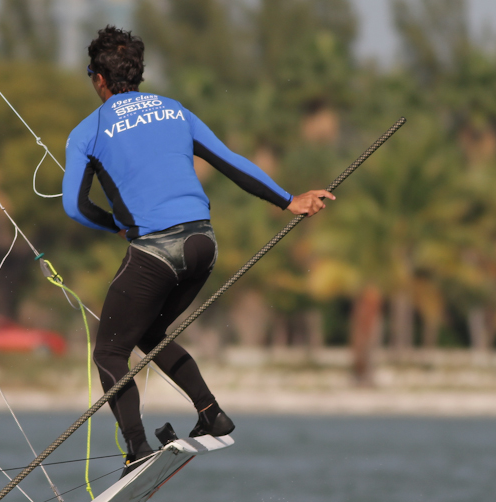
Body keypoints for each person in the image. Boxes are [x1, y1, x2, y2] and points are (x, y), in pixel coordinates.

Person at [62, 26, 334, 471]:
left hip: (155, 251)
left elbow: (75, 206)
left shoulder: (87, 132)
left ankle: (136, 450)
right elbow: (232, 162)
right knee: (147, 334)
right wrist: (289, 200)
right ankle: (211, 413)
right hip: (202, 244)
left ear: (98, 78)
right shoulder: (174, 111)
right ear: (138, 72)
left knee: (110, 352)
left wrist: (113, 224)